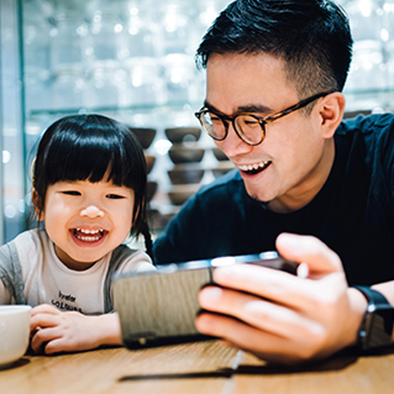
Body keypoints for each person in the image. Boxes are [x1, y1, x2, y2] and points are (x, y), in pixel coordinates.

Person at [153, 0, 394, 365]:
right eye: (216, 117)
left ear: (327, 115)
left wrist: (355, 316)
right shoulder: (207, 216)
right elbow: (146, 303)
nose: (229, 146)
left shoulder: (385, 157)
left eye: (253, 120)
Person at [0, 114, 155, 355]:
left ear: (135, 211)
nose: (92, 211)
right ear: (39, 203)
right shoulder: (22, 256)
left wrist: (94, 329)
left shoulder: (127, 267)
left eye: (113, 196)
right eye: (73, 192)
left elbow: (161, 315)